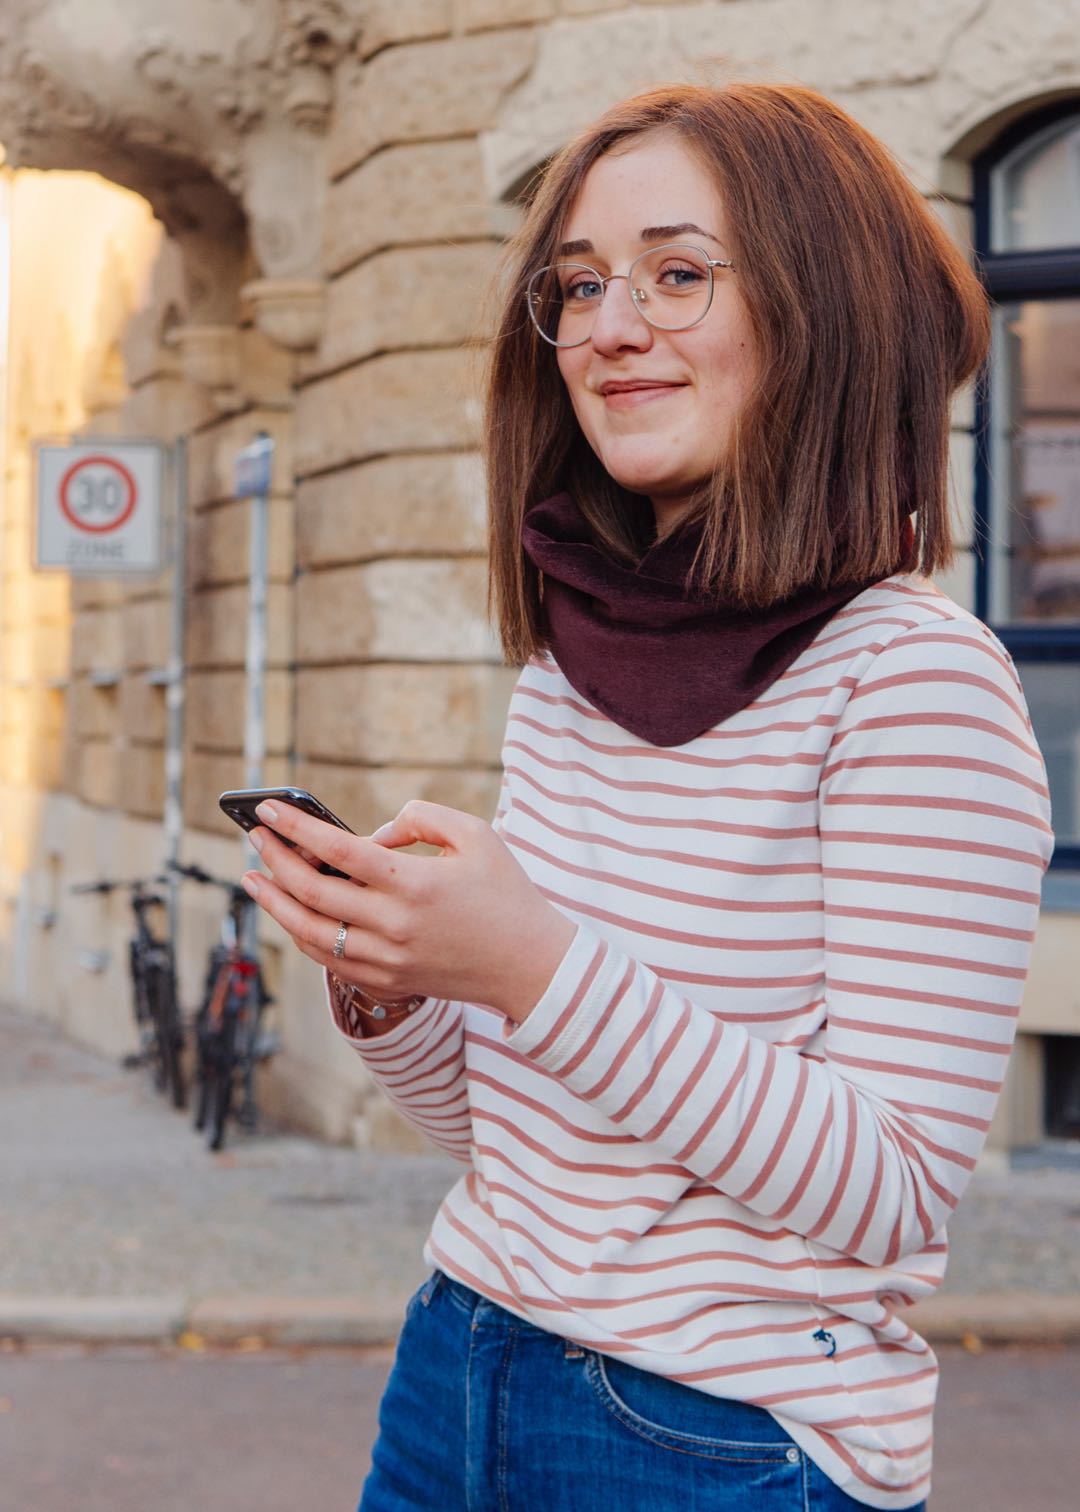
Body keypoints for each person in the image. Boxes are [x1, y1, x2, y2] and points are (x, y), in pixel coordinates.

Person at [239, 83, 1053, 1511]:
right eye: (578, 286)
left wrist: (532, 962)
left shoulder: (913, 677)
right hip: (458, 1364)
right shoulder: (571, 664)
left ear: (826, 308)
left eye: (679, 275)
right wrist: (389, 982)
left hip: (716, 1437)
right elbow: (522, 1136)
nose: (611, 328)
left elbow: (891, 1189)